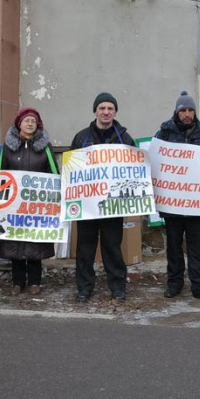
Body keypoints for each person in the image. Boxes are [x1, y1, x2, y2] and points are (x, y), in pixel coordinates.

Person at [156, 91, 200, 301]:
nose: (186, 114)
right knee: (174, 247)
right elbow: (157, 164)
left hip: (196, 204)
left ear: (194, 112)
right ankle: (174, 284)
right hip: (172, 205)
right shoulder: (164, 133)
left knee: (197, 248)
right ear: (177, 112)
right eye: (183, 110)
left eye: (190, 110)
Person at [70, 92, 135, 302]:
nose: (106, 112)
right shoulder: (81, 138)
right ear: (95, 111)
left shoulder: (125, 138)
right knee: (85, 249)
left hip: (113, 205)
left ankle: (117, 287)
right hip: (87, 205)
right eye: (102, 108)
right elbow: (72, 169)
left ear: (115, 112)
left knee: (112, 247)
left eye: (110, 109)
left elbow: (135, 169)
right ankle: (84, 288)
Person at [0, 107, 57, 295]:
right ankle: (17, 281)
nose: (30, 123)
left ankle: (34, 282)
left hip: (37, 204)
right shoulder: (8, 147)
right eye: (26, 120)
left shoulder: (45, 147)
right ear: (19, 124)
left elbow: (54, 173)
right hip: (13, 204)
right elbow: (0, 173)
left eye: (33, 120)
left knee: (35, 241)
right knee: (15, 240)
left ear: (37, 125)